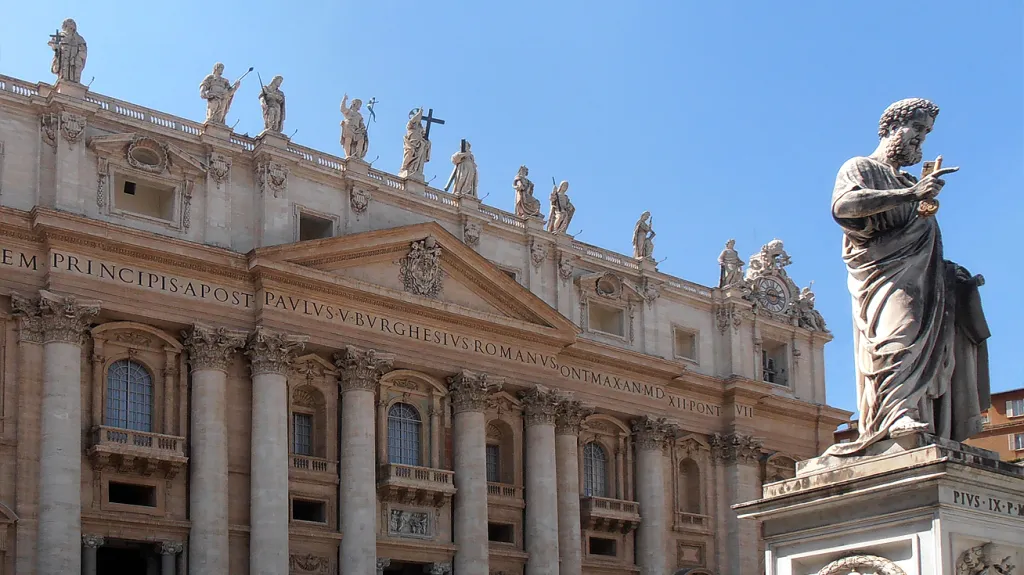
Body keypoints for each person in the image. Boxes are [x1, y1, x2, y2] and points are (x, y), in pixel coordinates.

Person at [826, 98, 990, 456]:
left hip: (927, 281)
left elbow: (923, 238)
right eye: (917, 129)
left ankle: (919, 416)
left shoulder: (910, 180)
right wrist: (909, 193)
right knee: (897, 336)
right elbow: (843, 207)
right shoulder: (861, 167)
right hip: (884, 275)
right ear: (891, 128)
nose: (921, 139)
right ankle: (895, 414)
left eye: (926, 132)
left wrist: (953, 275)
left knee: (928, 345)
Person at [49, 18, 87, 83]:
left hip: (75, 57)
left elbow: (83, 48)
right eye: (70, 22)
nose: (72, 23)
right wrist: (55, 46)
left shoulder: (79, 38)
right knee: (64, 71)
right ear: (65, 25)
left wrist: (80, 52)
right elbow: (53, 43)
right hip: (64, 55)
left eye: (73, 22)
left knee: (74, 71)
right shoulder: (60, 35)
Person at [400, 109, 431, 178]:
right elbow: (413, 120)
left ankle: (415, 170)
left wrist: (426, 141)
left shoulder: (420, 128)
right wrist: (420, 113)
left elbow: (424, 135)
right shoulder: (410, 125)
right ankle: (406, 168)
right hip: (411, 144)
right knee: (410, 153)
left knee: (419, 157)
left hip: (419, 144)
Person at [339, 94, 369, 160]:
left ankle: (358, 157)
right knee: (348, 140)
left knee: (361, 140)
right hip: (348, 126)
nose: (360, 106)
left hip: (357, 130)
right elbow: (342, 109)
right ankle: (347, 155)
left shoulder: (359, 115)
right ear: (354, 104)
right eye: (359, 104)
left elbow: (361, 124)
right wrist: (344, 99)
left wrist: (363, 129)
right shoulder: (349, 111)